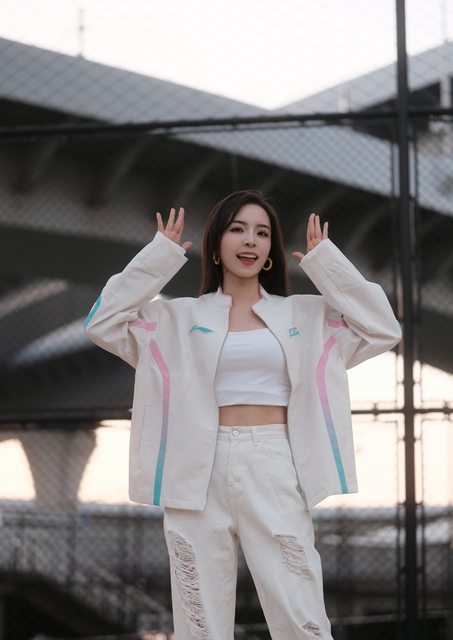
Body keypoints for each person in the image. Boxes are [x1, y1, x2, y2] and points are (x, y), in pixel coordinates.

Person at [84, 190, 401, 640]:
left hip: (273, 462)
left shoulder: (307, 315)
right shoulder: (174, 319)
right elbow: (101, 322)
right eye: (237, 229)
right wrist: (158, 259)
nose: (250, 240)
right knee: (199, 621)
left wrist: (327, 264)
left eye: (262, 232)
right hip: (194, 471)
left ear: (271, 249)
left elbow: (383, 328)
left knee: (300, 615)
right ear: (216, 244)